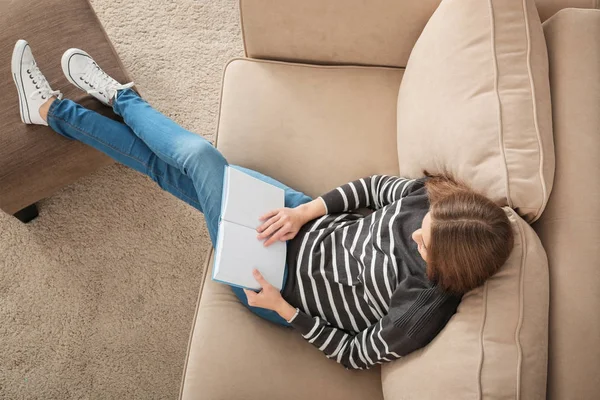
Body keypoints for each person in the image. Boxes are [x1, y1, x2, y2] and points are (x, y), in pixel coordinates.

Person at [11, 40, 515, 370]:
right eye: (424, 225)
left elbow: (357, 353)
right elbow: (373, 190)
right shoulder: (432, 202)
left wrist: (282, 307)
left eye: (422, 244)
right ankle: (56, 110)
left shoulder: (421, 312)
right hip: (296, 221)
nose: (414, 233)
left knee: (200, 158)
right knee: (171, 170)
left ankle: (112, 100)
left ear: (447, 270)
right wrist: (304, 212)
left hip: (276, 283)